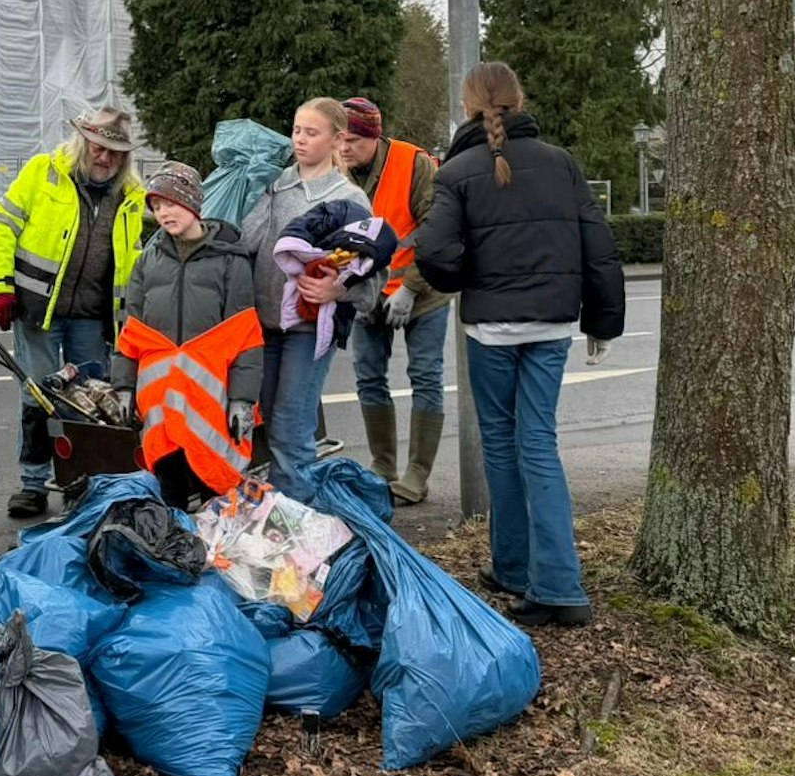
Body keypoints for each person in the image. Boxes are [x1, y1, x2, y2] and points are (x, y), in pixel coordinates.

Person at [414, 62, 625, 627]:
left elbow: (432, 252)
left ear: (468, 106)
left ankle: (529, 573)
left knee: (504, 445)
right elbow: (597, 245)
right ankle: (541, 575)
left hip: (491, 330)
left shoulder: (455, 172)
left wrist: (466, 281)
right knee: (537, 442)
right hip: (553, 325)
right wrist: (602, 323)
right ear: (518, 97)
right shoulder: (561, 163)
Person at [0, 106, 148, 517]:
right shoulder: (44, 173)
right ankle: (33, 483)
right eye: (98, 147)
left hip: (94, 316)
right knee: (39, 393)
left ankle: (83, 479)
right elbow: (3, 225)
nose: (104, 158)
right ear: (83, 142)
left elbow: (134, 257)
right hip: (39, 308)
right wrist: (1, 286)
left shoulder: (130, 195)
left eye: (115, 152)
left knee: (89, 400)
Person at [240, 98, 375, 499]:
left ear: (337, 140)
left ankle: (296, 529)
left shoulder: (349, 199)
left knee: (291, 429)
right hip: (262, 324)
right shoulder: (275, 184)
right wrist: (259, 192)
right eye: (296, 130)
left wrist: (338, 290)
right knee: (266, 427)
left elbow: (372, 271)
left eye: (311, 132)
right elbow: (246, 241)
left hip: (309, 329)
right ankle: (276, 515)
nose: (299, 139)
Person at [111, 163, 264, 511]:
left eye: (171, 203)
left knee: (216, 482)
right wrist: (123, 386)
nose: (164, 213)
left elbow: (245, 337)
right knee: (169, 480)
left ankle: (219, 553)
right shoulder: (148, 262)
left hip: (209, 401)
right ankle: (177, 550)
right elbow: (131, 331)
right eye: (157, 206)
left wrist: (243, 400)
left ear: (193, 204)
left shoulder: (230, 260)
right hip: (161, 401)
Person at [335, 97, 451, 505]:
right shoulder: (338, 170)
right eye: (339, 140)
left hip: (422, 292)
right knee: (368, 378)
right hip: (367, 293)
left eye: (352, 140)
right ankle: (382, 467)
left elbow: (435, 229)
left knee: (425, 377)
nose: (344, 148)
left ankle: (417, 474)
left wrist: (410, 288)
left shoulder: (414, 164)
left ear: (375, 136)